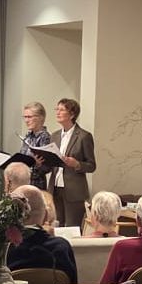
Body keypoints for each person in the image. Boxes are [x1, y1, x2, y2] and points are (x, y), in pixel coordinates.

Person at [37, 98, 95, 230]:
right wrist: (41, 162)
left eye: (62, 110)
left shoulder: (84, 136)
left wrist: (77, 164)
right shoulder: (55, 136)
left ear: (72, 114)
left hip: (74, 190)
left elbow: (91, 165)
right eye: (57, 109)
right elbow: (50, 165)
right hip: (55, 187)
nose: (57, 112)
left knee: (72, 228)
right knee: (56, 225)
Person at [19, 101, 52, 190]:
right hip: (23, 182)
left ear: (40, 118)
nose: (26, 120)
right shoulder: (28, 136)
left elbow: (47, 168)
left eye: (29, 117)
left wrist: (37, 165)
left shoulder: (45, 137)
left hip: (36, 185)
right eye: (25, 117)